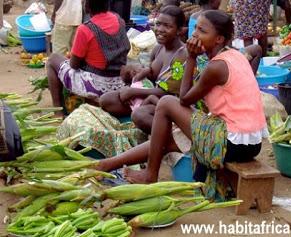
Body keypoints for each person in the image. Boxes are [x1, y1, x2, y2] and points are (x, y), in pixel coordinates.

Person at [97, 10, 268, 200]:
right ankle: (107, 164)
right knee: (171, 139)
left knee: (166, 103)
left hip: (232, 143)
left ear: (219, 39)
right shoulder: (235, 55)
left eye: (202, 31)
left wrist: (192, 58)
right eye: (195, 29)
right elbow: (255, 51)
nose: (195, 35)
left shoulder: (216, 66)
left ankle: (150, 176)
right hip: (251, 144)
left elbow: (184, 99)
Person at [100, 5, 187, 134]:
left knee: (140, 116)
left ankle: (172, 136)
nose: (160, 30)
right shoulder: (159, 48)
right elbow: (151, 77)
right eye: (158, 24)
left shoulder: (181, 55)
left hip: (168, 103)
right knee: (106, 100)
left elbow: (167, 93)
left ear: (180, 31)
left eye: (167, 26)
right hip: (150, 97)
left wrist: (133, 92)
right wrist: (135, 73)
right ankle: (142, 113)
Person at [46, 0, 130, 116]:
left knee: (52, 60)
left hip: (97, 85)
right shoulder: (119, 20)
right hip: (120, 80)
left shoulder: (85, 29)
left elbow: (74, 65)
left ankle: (58, 111)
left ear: (87, 7)